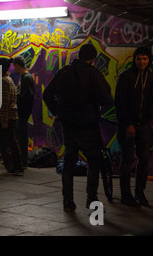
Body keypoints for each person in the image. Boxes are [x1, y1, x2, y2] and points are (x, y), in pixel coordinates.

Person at [43, 44, 112, 212]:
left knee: (69, 162)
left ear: (79, 55)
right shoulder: (93, 74)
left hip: (69, 125)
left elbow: (47, 95)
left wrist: (58, 112)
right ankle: (91, 197)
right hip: (88, 124)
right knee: (94, 161)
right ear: (93, 59)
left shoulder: (64, 72)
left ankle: (68, 201)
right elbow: (106, 98)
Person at [115, 46, 153, 207]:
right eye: (139, 59)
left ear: (149, 60)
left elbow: (149, 101)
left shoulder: (149, 76)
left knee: (144, 159)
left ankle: (140, 192)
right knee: (127, 159)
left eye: (145, 59)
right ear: (135, 60)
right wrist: (128, 124)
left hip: (143, 126)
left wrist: (152, 118)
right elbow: (120, 103)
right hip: (128, 126)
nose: (142, 62)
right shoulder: (126, 77)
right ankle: (125, 194)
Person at [13, 55, 34, 168]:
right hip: (22, 112)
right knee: (20, 136)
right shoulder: (24, 77)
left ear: (17, 65)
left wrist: (16, 96)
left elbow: (27, 96)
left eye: (14, 65)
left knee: (22, 137)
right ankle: (21, 160)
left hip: (22, 113)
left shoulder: (26, 78)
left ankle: (23, 161)